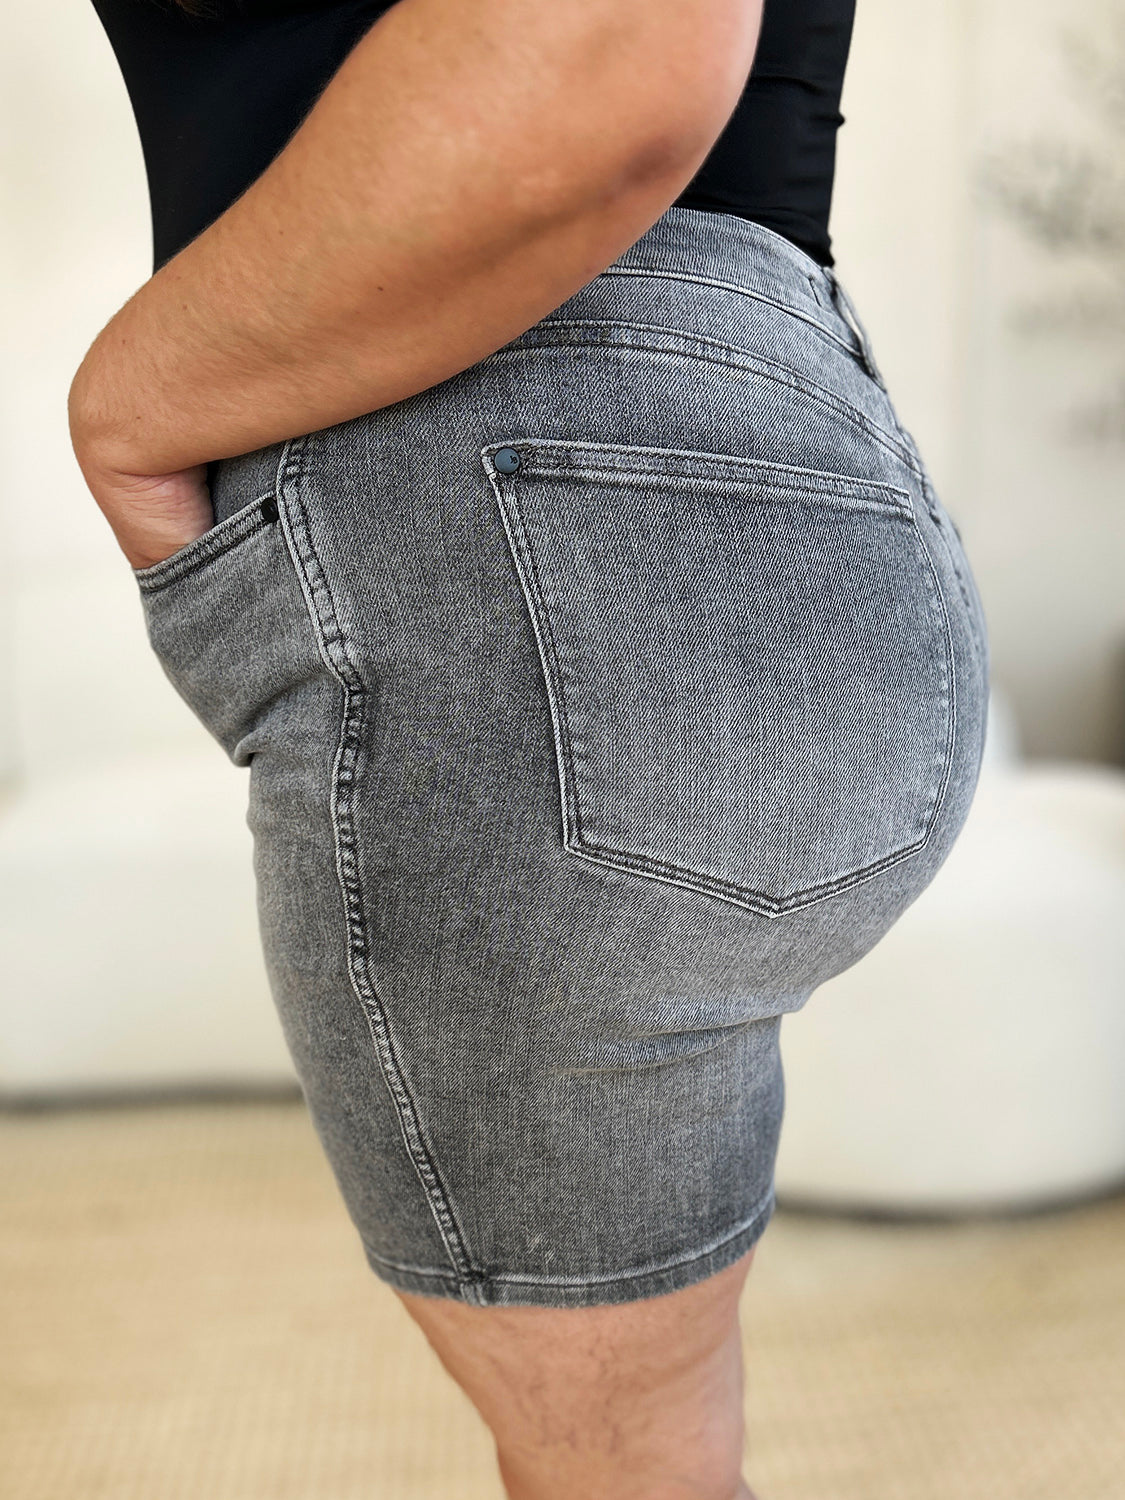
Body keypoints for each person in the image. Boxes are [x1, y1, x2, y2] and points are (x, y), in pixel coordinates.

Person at [69, 1, 991, 1496]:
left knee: (622, 1474)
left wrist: (129, 404)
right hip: (785, 488)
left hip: (510, 540)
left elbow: (610, 43)